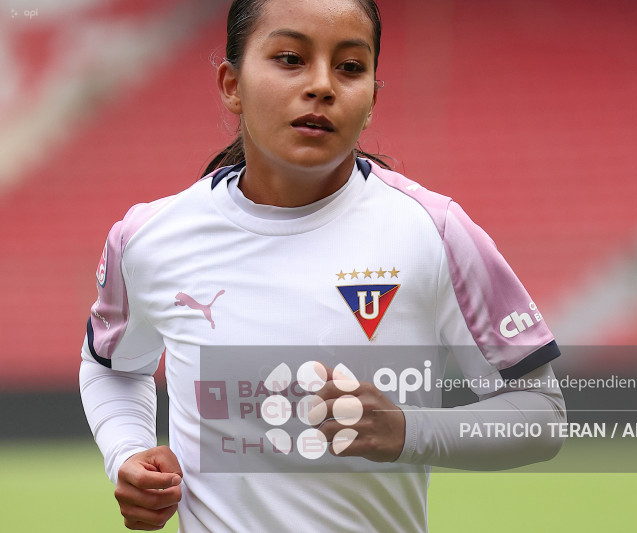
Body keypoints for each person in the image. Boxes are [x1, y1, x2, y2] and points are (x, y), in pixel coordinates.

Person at [79, 0, 566, 530]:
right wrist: (127, 453)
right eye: (290, 58)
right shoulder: (149, 239)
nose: (322, 85)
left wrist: (407, 430)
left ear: (373, 99)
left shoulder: (434, 230)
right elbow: (112, 369)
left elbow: (540, 414)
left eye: (350, 66)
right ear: (231, 84)